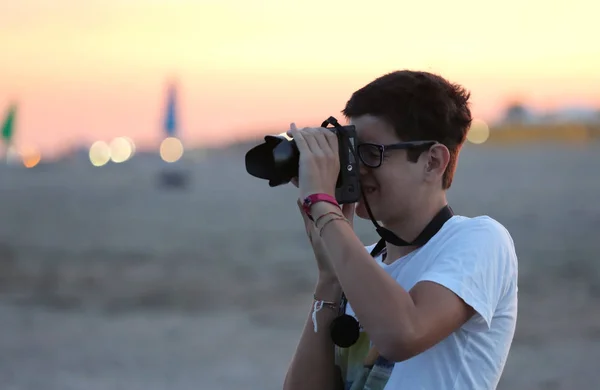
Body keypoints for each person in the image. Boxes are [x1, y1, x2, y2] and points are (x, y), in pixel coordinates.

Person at [282, 70, 518, 390]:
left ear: (432, 162)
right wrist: (329, 279)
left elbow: (403, 334)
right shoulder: (360, 264)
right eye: (350, 152)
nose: (355, 169)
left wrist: (323, 207)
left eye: (370, 153)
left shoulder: (479, 240)